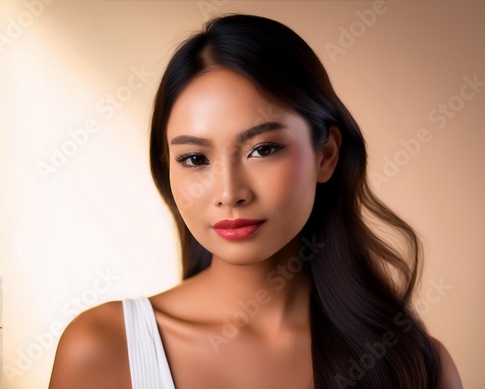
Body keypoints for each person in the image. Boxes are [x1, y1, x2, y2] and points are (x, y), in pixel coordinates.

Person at [49, 14, 462, 389]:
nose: (230, 193)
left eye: (262, 149)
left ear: (326, 154)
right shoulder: (102, 350)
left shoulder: (413, 365)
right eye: (195, 159)